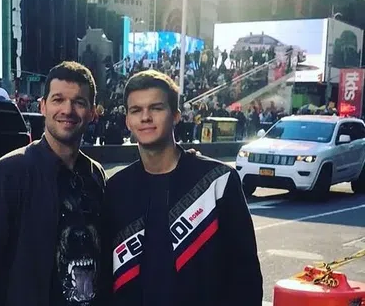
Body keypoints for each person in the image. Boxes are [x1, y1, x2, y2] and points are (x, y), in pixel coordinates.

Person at [103, 70, 263, 306]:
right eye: (136, 110)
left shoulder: (217, 181)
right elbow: (106, 277)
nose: (145, 117)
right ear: (127, 120)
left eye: (156, 108)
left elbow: (245, 276)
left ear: (176, 115)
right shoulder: (116, 188)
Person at [0, 61, 109, 306]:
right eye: (58, 99)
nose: (67, 110)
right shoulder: (6, 174)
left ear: (93, 112)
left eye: (79, 102)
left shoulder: (95, 175)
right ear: (43, 106)